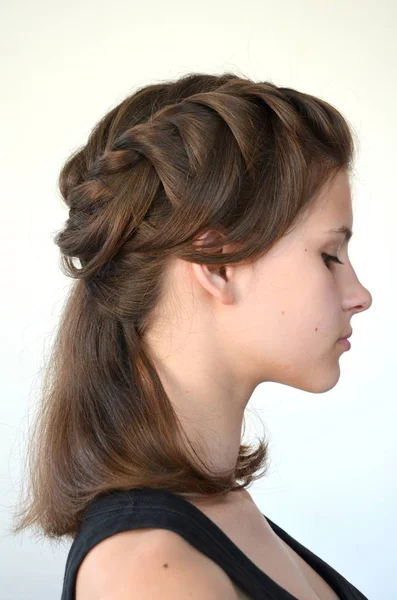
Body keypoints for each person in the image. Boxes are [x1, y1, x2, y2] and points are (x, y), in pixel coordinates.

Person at [11, 72, 372, 599]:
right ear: (218, 264)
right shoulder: (149, 573)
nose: (360, 294)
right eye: (329, 255)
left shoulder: (222, 512)